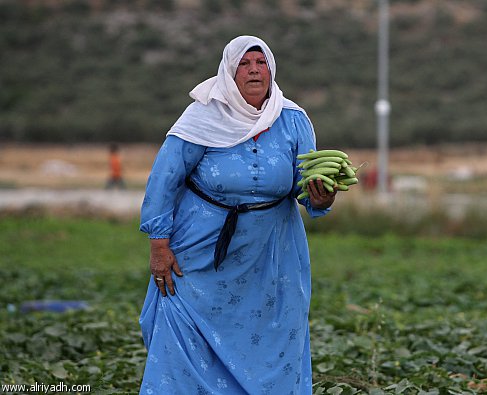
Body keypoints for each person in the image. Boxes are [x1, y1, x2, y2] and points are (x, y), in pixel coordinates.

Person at [138, 35, 337, 394]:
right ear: (230, 72)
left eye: (261, 63)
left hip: (272, 253)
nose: (254, 70)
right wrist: (158, 246)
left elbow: (305, 185)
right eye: (244, 64)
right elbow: (164, 181)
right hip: (201, 251)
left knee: (275, 334)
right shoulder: (201, 117)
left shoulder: (292, 119)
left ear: (272, 69)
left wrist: (321, 198)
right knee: (185, 332)